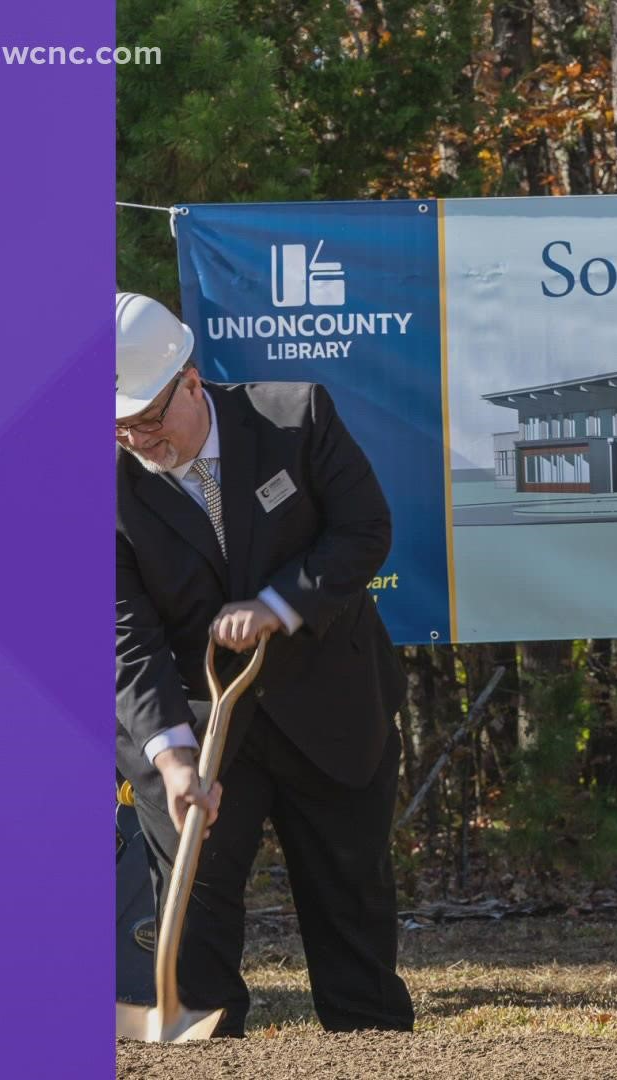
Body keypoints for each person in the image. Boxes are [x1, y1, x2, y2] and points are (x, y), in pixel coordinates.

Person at [115, 291, 413, 1036]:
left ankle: (374, 1050)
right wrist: (174, 759)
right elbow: (125, 637)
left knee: (353, 924)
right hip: (200, 728)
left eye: (149, 420)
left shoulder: (294, 417)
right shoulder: (103, 487)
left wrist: (280, 605)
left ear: (190, 380)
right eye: (120, 429)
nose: (140, 442)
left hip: (332, 710)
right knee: (196, 931)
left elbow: (363, 530)